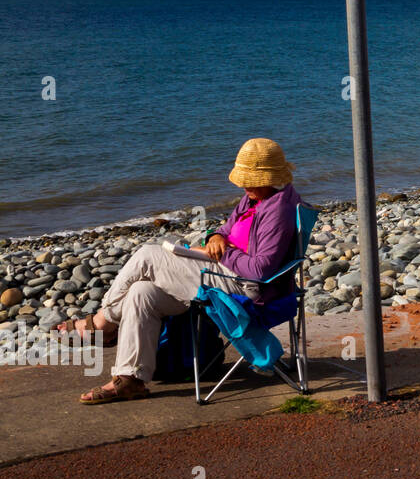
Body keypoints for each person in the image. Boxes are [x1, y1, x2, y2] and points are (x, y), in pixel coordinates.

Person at [61, 138, 304, 404]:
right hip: (223, 271)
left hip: (247, 287)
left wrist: (225, 252)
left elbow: (260, 269)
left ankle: (102, 322)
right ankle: (130, 380)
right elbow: (225, 229)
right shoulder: (256, 198)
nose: (244, 186)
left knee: (148, 255)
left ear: (267, 177)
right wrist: (215, 238)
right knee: (143, 292)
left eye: (250, 180)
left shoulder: (277, 210)